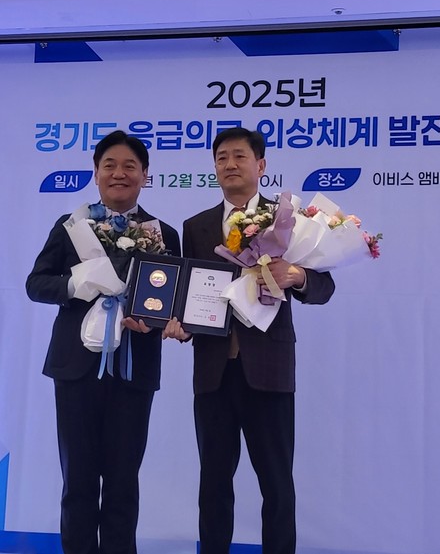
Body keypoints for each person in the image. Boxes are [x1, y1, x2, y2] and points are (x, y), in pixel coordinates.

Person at [163, 127, 336, 554]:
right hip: (213, 372)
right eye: (222, 157)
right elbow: (194, 292)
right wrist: (181, 323)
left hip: (269, 371)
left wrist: (297, 275)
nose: (230, 164)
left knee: (276, 483)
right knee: (213, 483)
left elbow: (324, 286)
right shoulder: (197, 226)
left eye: (239, 156)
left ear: (261, 165)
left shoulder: (289, 220)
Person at [26, 130, 180, 554]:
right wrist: (79, 284)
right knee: (78, 481)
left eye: (130, 166)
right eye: (109, 165)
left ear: (145, 175)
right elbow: (36, 284)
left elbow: (171, 302)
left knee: (123, 482)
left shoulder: (163, 233)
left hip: (134, 368)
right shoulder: (71, 227)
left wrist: (157, 322)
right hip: (76, 368)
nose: (119, 173)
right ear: (96, 173)